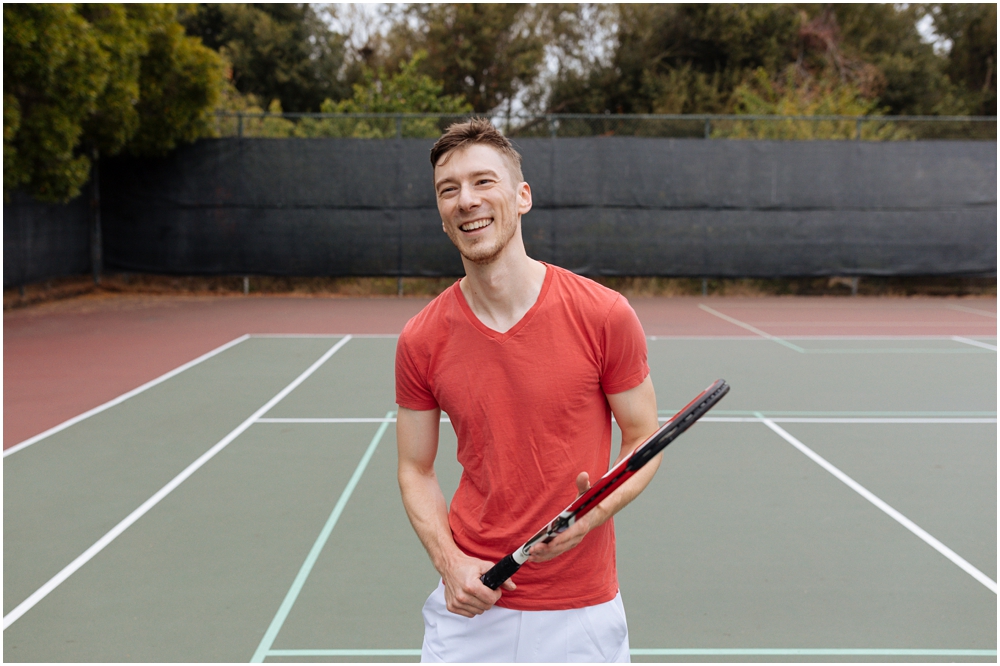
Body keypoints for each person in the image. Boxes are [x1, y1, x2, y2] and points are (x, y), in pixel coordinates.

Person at [395, 118, 661, 663]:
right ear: (442, 213)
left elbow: (642, 437)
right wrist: (450, 564)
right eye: (449, 189)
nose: (466, 200)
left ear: (522, 197)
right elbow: (414, 468)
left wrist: (589, 515)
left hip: (580, 612)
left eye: (483, 182)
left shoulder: (603, 314)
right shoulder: (421, 338)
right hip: (470, 608)